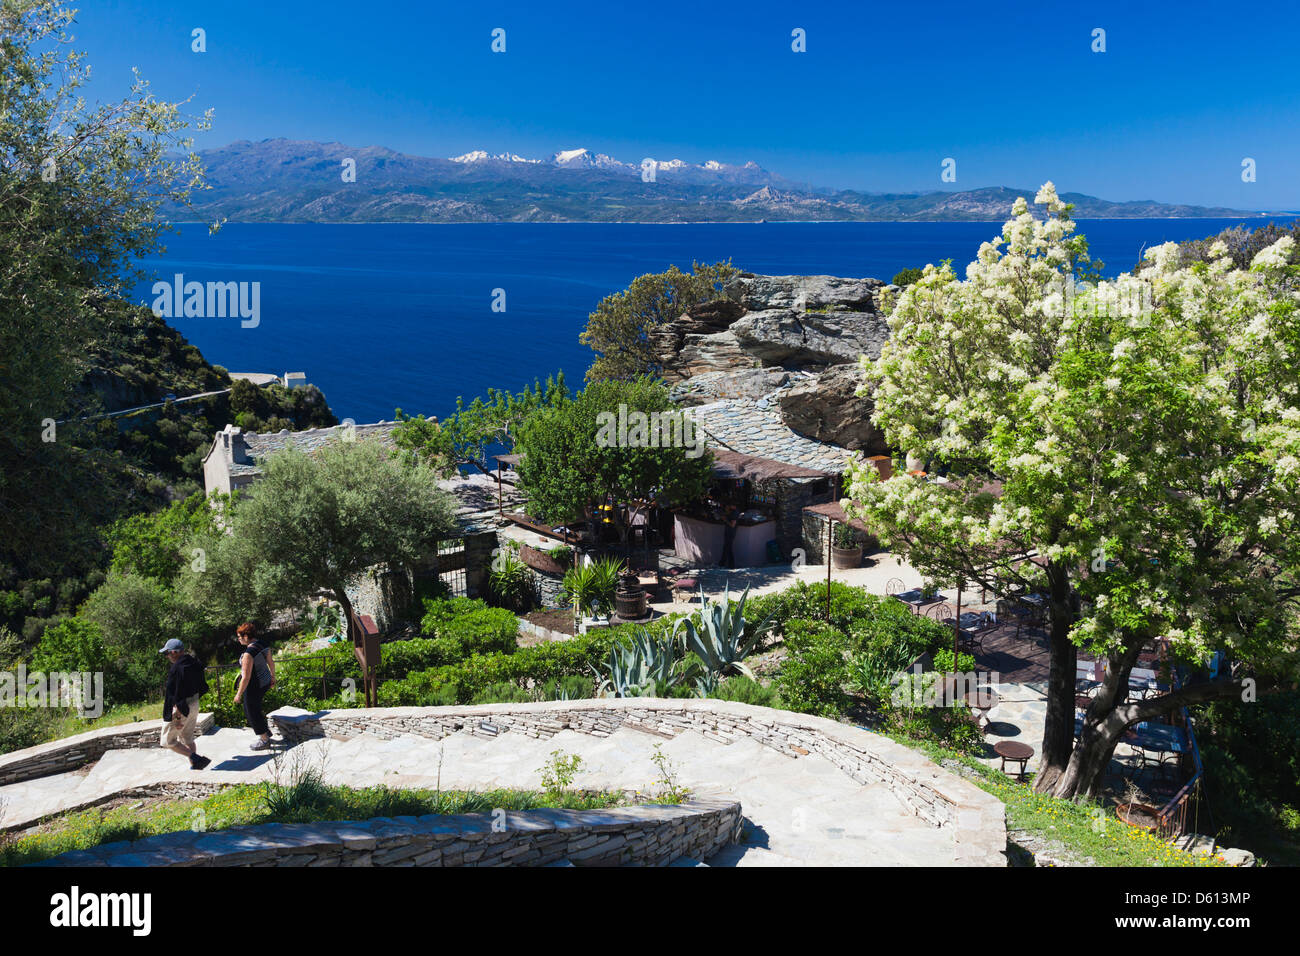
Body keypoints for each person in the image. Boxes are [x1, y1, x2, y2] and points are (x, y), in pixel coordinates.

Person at [160, 639, 210, 770]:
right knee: (187, 737)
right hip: (194, 703)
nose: (167, 656)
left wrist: (176, 718)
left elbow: (176, 696)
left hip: (181, 709)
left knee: (167, 741)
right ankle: (195, 764)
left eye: (168, 653)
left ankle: (195, 758)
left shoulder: (177, 669)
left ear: (175, 652)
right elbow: (203, 685)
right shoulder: (194, 662)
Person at [232, 622, 276, 750]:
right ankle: (265, 732)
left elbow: (246, 677)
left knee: (250, 711)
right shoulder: (262, 644)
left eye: (240, 636)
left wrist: (238, 694)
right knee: (255, 708)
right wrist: (273, 677)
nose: (238, 639)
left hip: (255, 685)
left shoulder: (248, 654)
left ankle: (264, 740)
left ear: (246, 636)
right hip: (266, 681)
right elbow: (271, 662)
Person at [720, 503, 738, 569]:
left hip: (730, 533)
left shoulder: (735, 513)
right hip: (729, 532)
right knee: (727, 548)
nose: (728, 506)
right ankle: (723, 563)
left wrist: (725, 520)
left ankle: (729, 565)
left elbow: (732, 525)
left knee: (728, 548)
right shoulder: (732, 512)